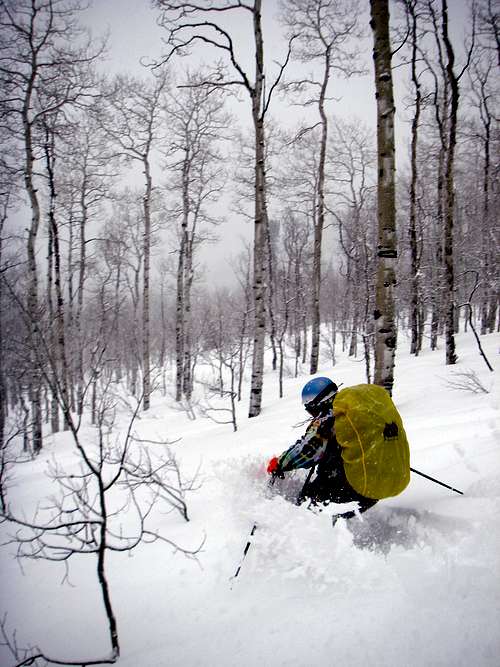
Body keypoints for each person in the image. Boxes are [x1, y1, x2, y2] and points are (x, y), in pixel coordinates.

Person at [267, 377, 379, 521]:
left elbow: (308, 451)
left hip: (350, 486)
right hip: (375, 484)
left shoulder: (328, 419)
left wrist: (281, 463)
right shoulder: (353, 410)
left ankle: (314, 540)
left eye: (310, 409)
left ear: (317, 404)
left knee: (306, 510)